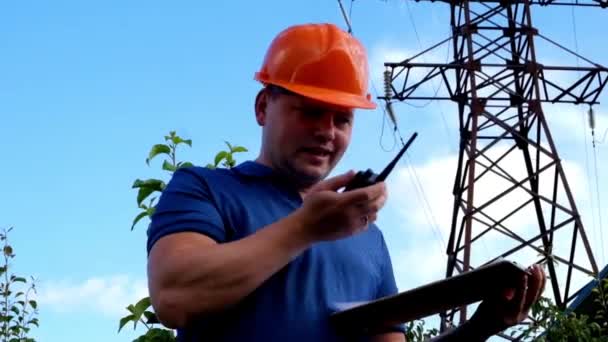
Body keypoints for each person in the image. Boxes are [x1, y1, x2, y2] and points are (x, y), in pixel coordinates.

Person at [145, 23, 546, 342]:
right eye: (310, 112)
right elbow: (174, 297)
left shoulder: (368, 238)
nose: (327, 132)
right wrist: (306, 228)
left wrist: (480, 326)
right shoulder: (204, 189)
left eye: (342, 119)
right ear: (263, 106)